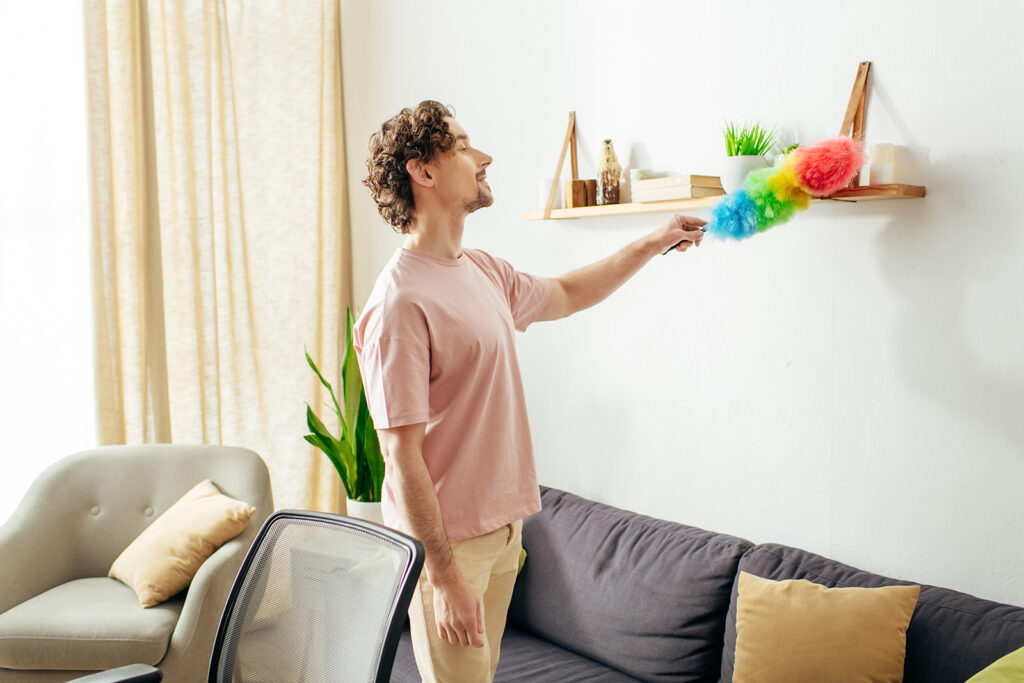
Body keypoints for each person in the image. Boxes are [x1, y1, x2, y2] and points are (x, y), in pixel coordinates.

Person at [353, 100, 705, 682]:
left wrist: (652, 242)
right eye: (464, 146)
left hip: (504, 531)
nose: (485, 157)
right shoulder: (398, 304)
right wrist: (442, 578)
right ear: (424, 171)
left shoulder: (482, 270)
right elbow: (400, 457)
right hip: (451, 549)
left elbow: (566, 292)